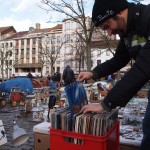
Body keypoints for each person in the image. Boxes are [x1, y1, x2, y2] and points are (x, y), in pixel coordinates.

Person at [77, 0, 150, 149]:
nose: (109, 33)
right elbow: (119, 60)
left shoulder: (148, 17)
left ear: (119, 12)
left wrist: (106, 103)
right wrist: (93, 73)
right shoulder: (127, 32)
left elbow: (143, 67)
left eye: (108, 26)